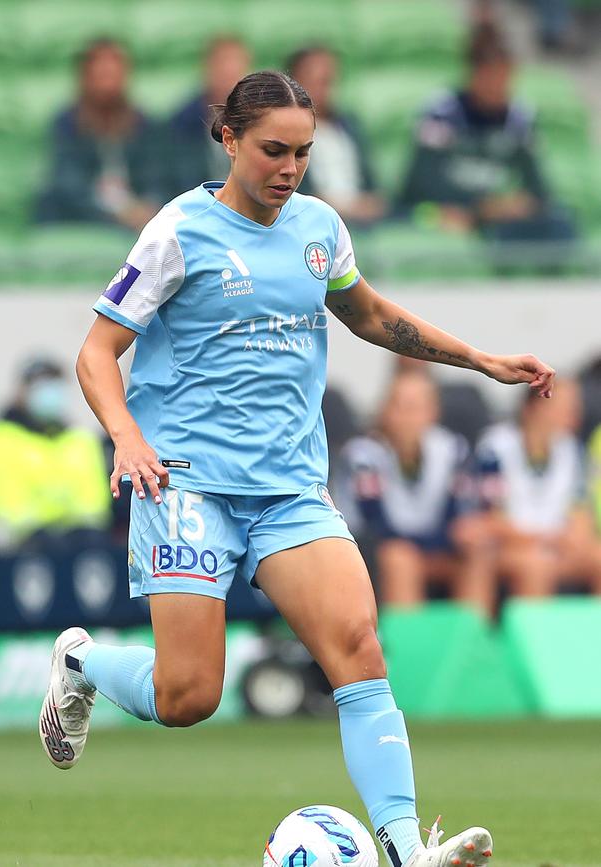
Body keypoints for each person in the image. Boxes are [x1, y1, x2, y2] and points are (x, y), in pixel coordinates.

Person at [39, 70, 555, 867]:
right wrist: (126, 436)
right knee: (188, 697)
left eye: (303, 153)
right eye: (273, 150)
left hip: (288, 489)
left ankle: (407, 848)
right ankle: (78, 659)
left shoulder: (319, 227)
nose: (289, 168)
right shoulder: (179, 230)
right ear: (230, 139)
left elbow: (373, 316)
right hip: (186, 483)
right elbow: (97, 352)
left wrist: (478, 358)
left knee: (357, 645)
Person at [397, 22, 576, 252]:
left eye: (504, 78)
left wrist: (514, 205)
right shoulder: (441, 113)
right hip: (448, 212)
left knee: (559, 225)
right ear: (473, 74)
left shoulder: (520, 118)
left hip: (501, 217)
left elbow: (539, 190)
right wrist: (480, 207)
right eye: (490, 77)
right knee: (432, 219)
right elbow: (418, 185)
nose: (498, 87)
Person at [337, 370, 494, 616]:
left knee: (477, 554)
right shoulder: (363, 456)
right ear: (385, 411)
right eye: (399, 406)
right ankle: (407, 649)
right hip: (375, 551)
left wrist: (463, 534)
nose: (406, 417)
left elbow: (457, 516)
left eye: (415, 407)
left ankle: (469, 647)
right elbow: (376, 526)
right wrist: (432, 543)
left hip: (433, 546)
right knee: (401, 559)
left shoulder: (452, 450)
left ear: (433, 412)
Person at [0, 357, 111, 549]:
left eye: (55, 385)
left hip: (76, 548)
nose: (50, 394)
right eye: (41, 385)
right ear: (22, 391)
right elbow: (5, 504)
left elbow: (94, 504)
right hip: (9, 551)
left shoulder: (80, 440)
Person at [475, 378, 601, 597]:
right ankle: (533, 631)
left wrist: (575, 538)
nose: (574, 413)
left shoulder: (572, 449)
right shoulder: (495, 449)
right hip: (512, 547)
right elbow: (491, 519)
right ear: (536, 405)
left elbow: (581, 510)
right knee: (535, 566)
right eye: (565, 405)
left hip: (557, 545)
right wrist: (544, 540)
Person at [35, 39, 164, 232]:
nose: (108, 86)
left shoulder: (143, 125)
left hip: (135, 219)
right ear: (86, 79)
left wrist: (147, 206)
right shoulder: (67, 126)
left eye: (114, 76)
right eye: (101, 76)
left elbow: (158, 177)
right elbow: (68, 186)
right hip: (83, 220)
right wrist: (116, 214)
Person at [287, 45, 387, 226]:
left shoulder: (350, 125)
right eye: (314, 80)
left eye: (327, 80)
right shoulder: (285, 131)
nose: (322, 88)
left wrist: (372, 202)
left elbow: (372, 185)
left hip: (363, 219)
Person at [163, 36, 251, 198]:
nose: (227, 75)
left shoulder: (259, 123)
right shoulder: (181, 124)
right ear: (206, 68)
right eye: (221, 66)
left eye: (234, 69)